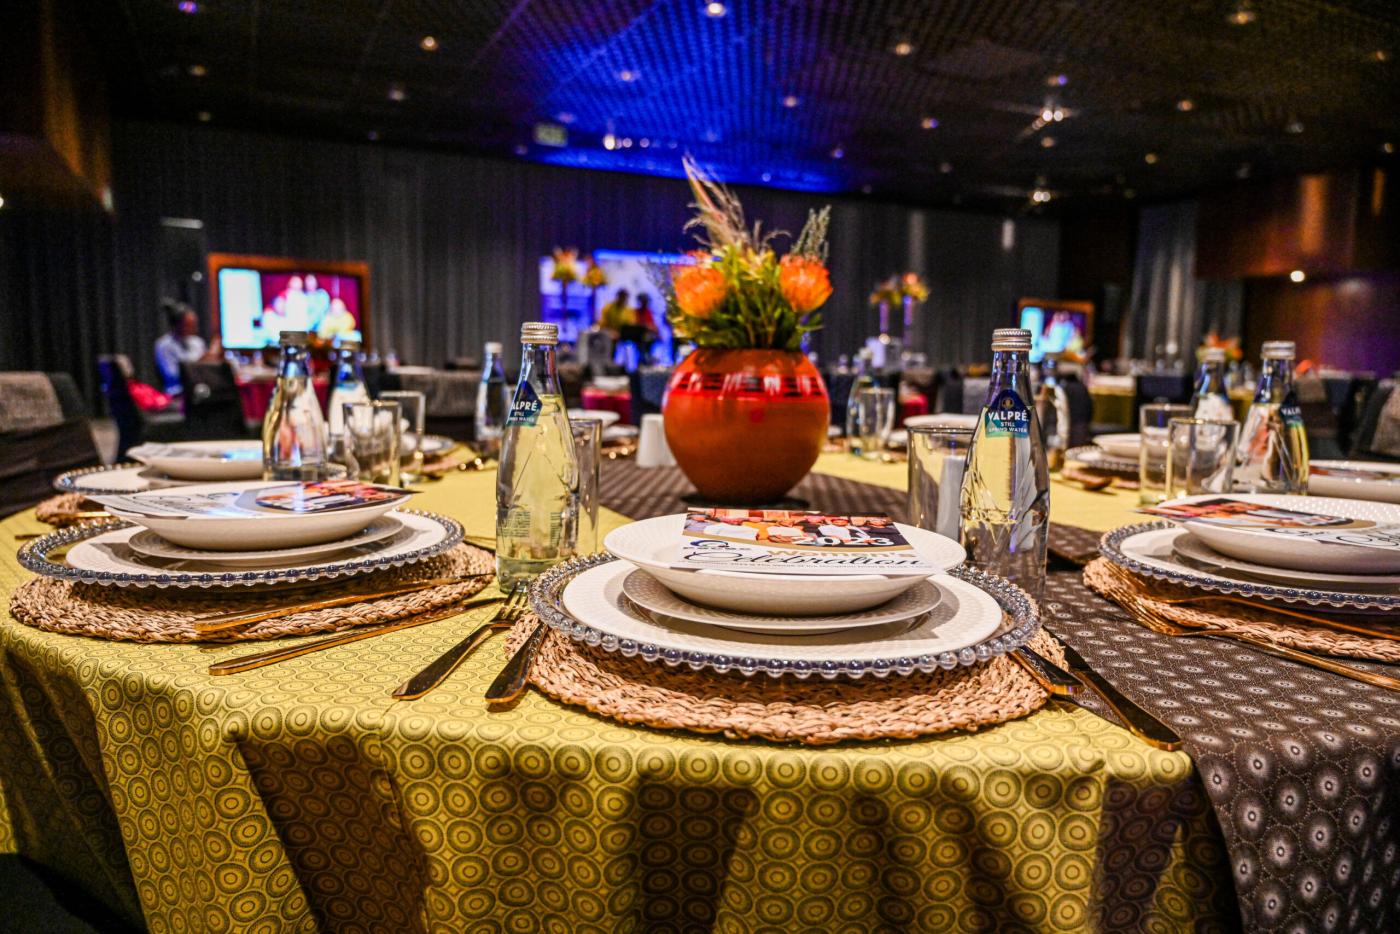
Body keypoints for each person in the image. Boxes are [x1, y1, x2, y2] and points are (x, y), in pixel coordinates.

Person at [153, 301, 209, 395]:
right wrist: (199, 364)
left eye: (194, 324)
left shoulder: (197, 342)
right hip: (177, 392)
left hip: (201, 388)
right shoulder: (164, 345)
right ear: (177, 325)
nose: (194, 328)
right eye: (189, 325)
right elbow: (172, 375)